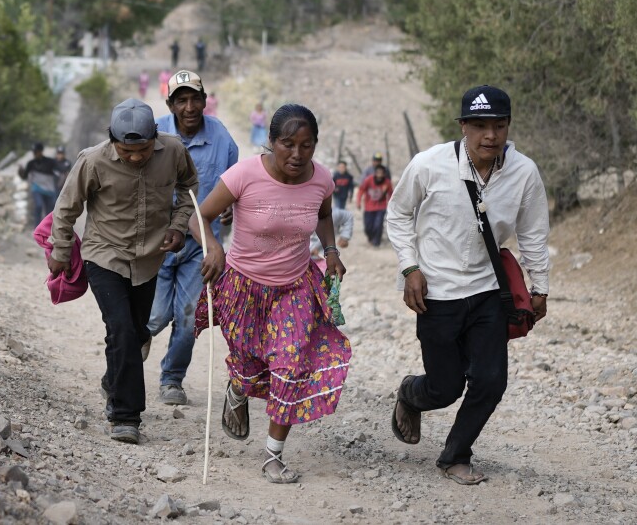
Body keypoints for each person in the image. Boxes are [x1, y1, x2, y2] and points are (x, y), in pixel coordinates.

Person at [384, 85, 550, 486]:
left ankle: (455, 455)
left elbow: (533, 232)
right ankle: (411, 394)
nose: (489, 135)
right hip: (436, 294)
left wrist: (540, 286)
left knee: (491, 381)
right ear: (463, 127)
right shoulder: (430, 165)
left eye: (498, 125)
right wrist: (410, 269)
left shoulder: (524, 172)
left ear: (508, 126)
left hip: (489, 292)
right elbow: (398, 214)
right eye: (479, 126)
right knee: (444, 388)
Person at [192, 104, 350, 484]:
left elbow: (325, 216)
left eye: (306, 145)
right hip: (243, 286)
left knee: (291, 364)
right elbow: (197, 216)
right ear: (271, 142)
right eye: (287, 144)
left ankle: (272, 456)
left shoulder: (321, 180)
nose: (297, 155)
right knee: (248, 369)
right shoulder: (244, 174)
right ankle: (238, 388)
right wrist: (214, 248)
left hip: (294, 286)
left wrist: (330, 252)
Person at [49, 99, 199, 445]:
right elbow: (66, 207)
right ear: (113, 140)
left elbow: (188, 188)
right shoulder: (93, 160)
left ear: (155, 139)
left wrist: (178, 226)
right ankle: (125, 415)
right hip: (105, 254)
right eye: (126, 151)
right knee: (121, 330)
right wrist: (59, 252)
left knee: (134, 333)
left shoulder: (174, 151)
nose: (135, 157)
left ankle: (113, 381)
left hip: (149, 258)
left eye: (143, 150)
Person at [148, 70, 239, 406]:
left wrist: (231, 208)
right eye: (181, 100)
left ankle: (172, 379)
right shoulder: (152, 134)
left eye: (195, 98)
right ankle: (135, 343)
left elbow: (233, 184)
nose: (189, 107)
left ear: (204, 100)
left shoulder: (222, 138)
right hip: (155, 243)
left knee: (188, 318)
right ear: (170, 104)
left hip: (200, 247)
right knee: (156, 316)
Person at [18, 142, 59, 226]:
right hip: (37, 188)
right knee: (38, 205)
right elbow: (24, 176)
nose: (35, 154)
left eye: (36, 152)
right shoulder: (31, 163)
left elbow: (60, 170)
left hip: (49, 190)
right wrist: (20, 172)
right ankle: (37, 227)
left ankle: (47, 229)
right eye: (34, 152)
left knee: (49, 211)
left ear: (41, 151)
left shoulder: (50, 162)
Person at [356, 164, 393, 247]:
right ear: (375, 173)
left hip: (381, 207)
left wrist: (391, 205)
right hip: (369, 207)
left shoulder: (387, 182)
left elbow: (391, 194)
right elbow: (361, 190)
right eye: (378, 172)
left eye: (381, 173)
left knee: (378, 224)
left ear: (384, 174)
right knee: (368, 227)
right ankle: (371, 238)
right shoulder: (368, 180)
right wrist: (358, 202)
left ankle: (377, 242)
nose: (379, 174)